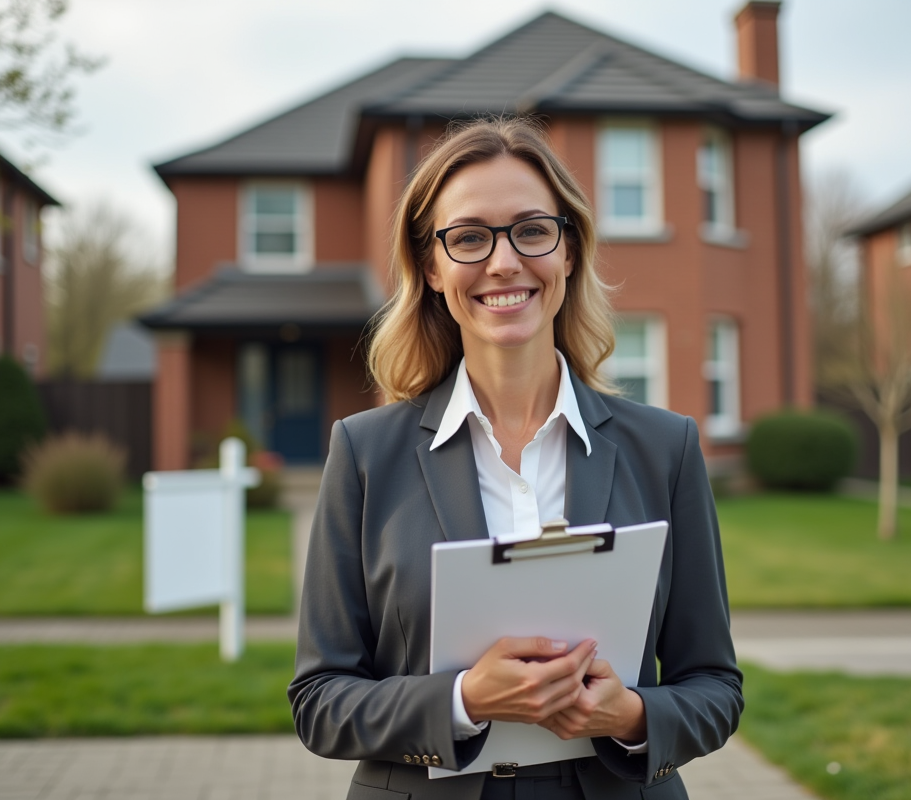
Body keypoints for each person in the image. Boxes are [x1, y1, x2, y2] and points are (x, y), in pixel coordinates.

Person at [288, 118, 742, 800]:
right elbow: (319, 702)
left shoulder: (665, 448)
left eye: (531, 230)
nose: (504, 262)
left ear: (567, 251)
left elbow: (714, 686)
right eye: (470, 237)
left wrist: (633, 716)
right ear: (433, 267)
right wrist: (465, 699)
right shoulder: (363, 453)